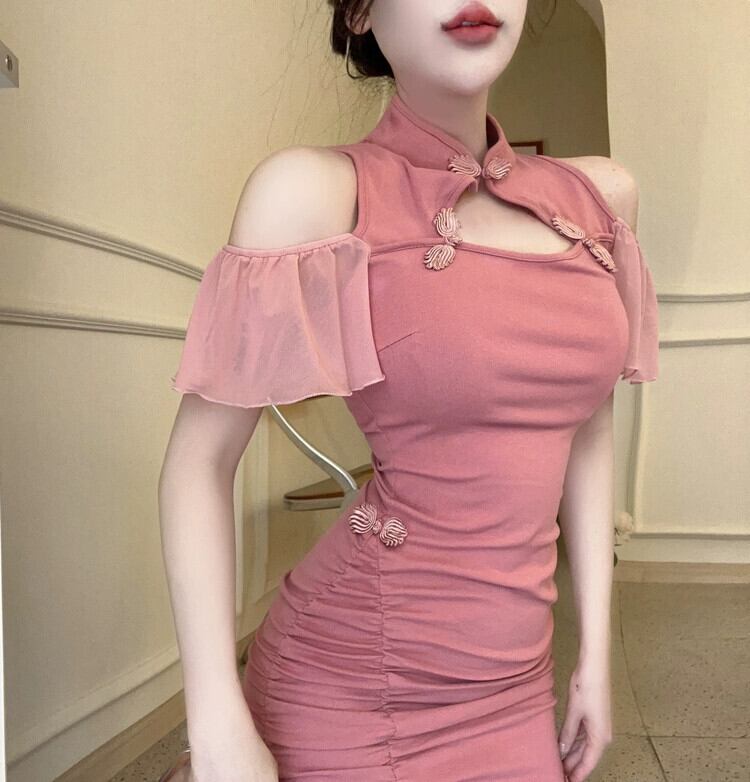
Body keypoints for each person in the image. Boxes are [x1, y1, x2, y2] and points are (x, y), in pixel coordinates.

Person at [158, 1, 660, 780]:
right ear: (361, 10)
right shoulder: (314, 191)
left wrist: (595, 656)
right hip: (350, 690)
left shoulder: (599, 196)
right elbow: (198, 464)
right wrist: (218, 728)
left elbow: (587, 428)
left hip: (516, 690)